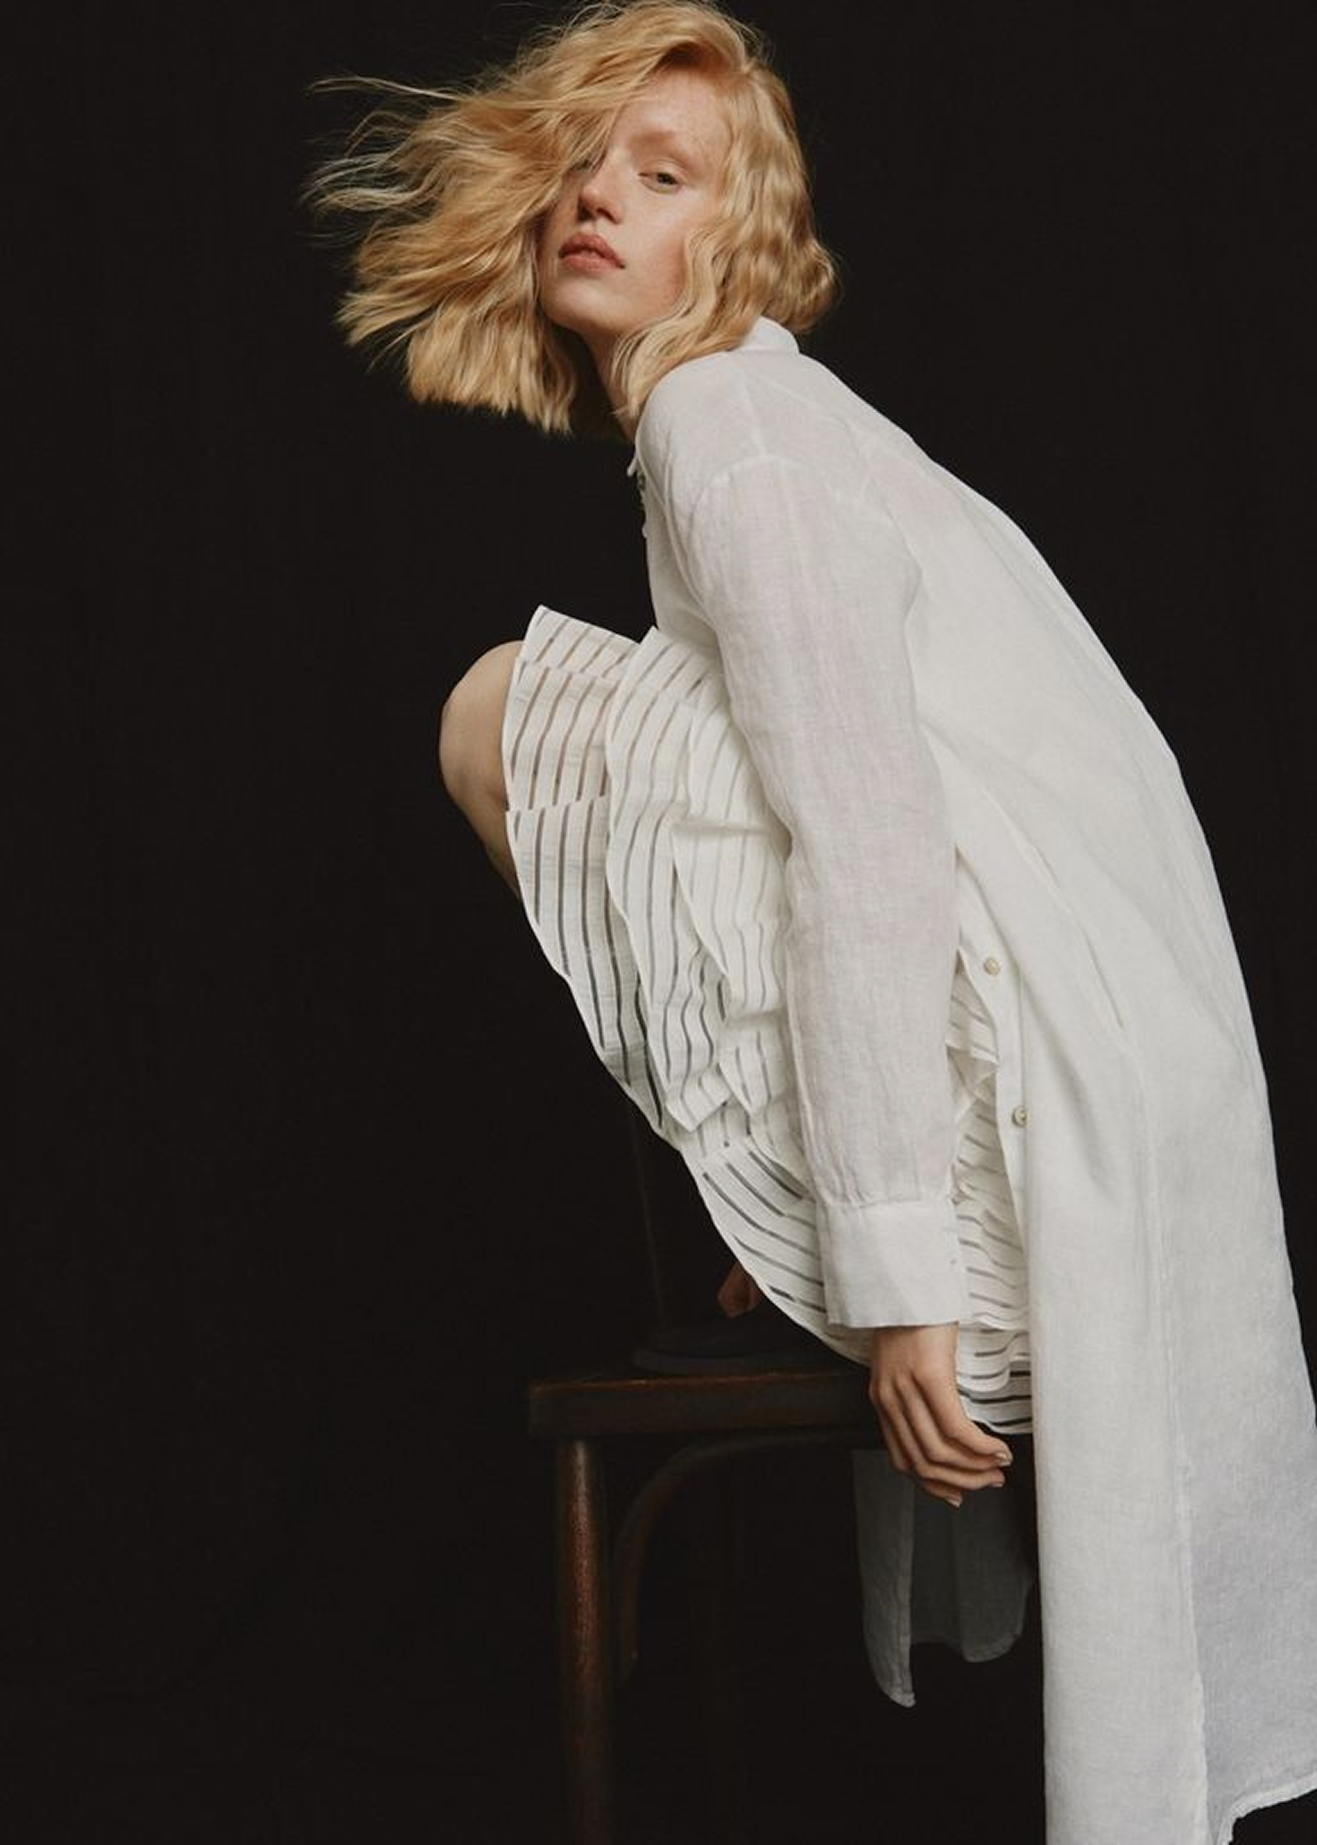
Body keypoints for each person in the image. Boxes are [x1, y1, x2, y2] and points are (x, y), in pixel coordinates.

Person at [308, 3, 1317, 1839]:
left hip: (1018, 1221)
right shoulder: (775, 419)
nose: (601, 198)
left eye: (665, 176)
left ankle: (818, 1216)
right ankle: (796, 1209)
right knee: (708, 765)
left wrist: (896, 1275)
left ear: (740, 246)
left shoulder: (732, 426)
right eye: (587, 166)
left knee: (492, 706)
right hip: (1105, 1187)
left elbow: (867, 839)